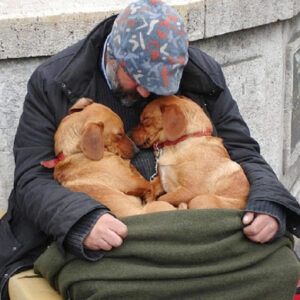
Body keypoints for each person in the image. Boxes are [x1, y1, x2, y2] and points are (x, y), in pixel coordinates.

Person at [1, 0, 300, 299]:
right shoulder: (55, 81)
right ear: (112, 55)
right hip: (109, 229)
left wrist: (268, 203)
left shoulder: (200, 72)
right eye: (139, 79)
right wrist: (81, 219)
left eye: (159, 84)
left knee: (281, 268)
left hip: (185, 225)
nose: (146, 92)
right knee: (110, 289)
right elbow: (31, 179)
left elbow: (243, 151)